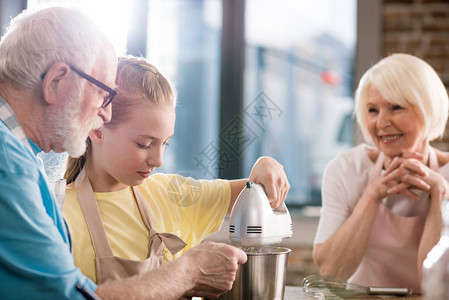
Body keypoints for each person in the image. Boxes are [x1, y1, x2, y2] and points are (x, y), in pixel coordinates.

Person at [0, 6, 246, 300]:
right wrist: (188, 272)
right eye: (104, 95)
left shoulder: (21, 159)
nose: (105, 114)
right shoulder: (10, 168)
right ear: (56, 82)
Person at [63, 56, 290, 285]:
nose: (158, 160)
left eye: (165, 143)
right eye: (144, 144)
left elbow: (256, 190)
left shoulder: (174, 195)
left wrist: (267, 164)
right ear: (98, 129)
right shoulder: (58, 212)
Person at [312, 53, 449, 293]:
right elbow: (330, 272)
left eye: (396, 107)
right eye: (373, 110)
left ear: (428, 108)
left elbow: (437, 285)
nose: (381, 122)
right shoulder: (345, 169)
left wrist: (439, 192)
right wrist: (373, 193)